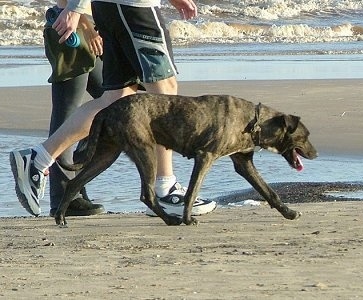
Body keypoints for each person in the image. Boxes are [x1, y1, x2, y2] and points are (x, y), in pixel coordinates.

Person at [10, 0, 216, 217]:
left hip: (112, 8)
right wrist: (75, 8)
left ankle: (39, 157)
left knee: (117, 97)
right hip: (134, 8)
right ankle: (165, 188)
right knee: (164, 91)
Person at [44, 0, 105, 217]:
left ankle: (74, 186)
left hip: (83, 27)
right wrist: (87, 27)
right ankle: (63, 197)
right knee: (67, 114)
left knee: (110, 102)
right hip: (72, 30)